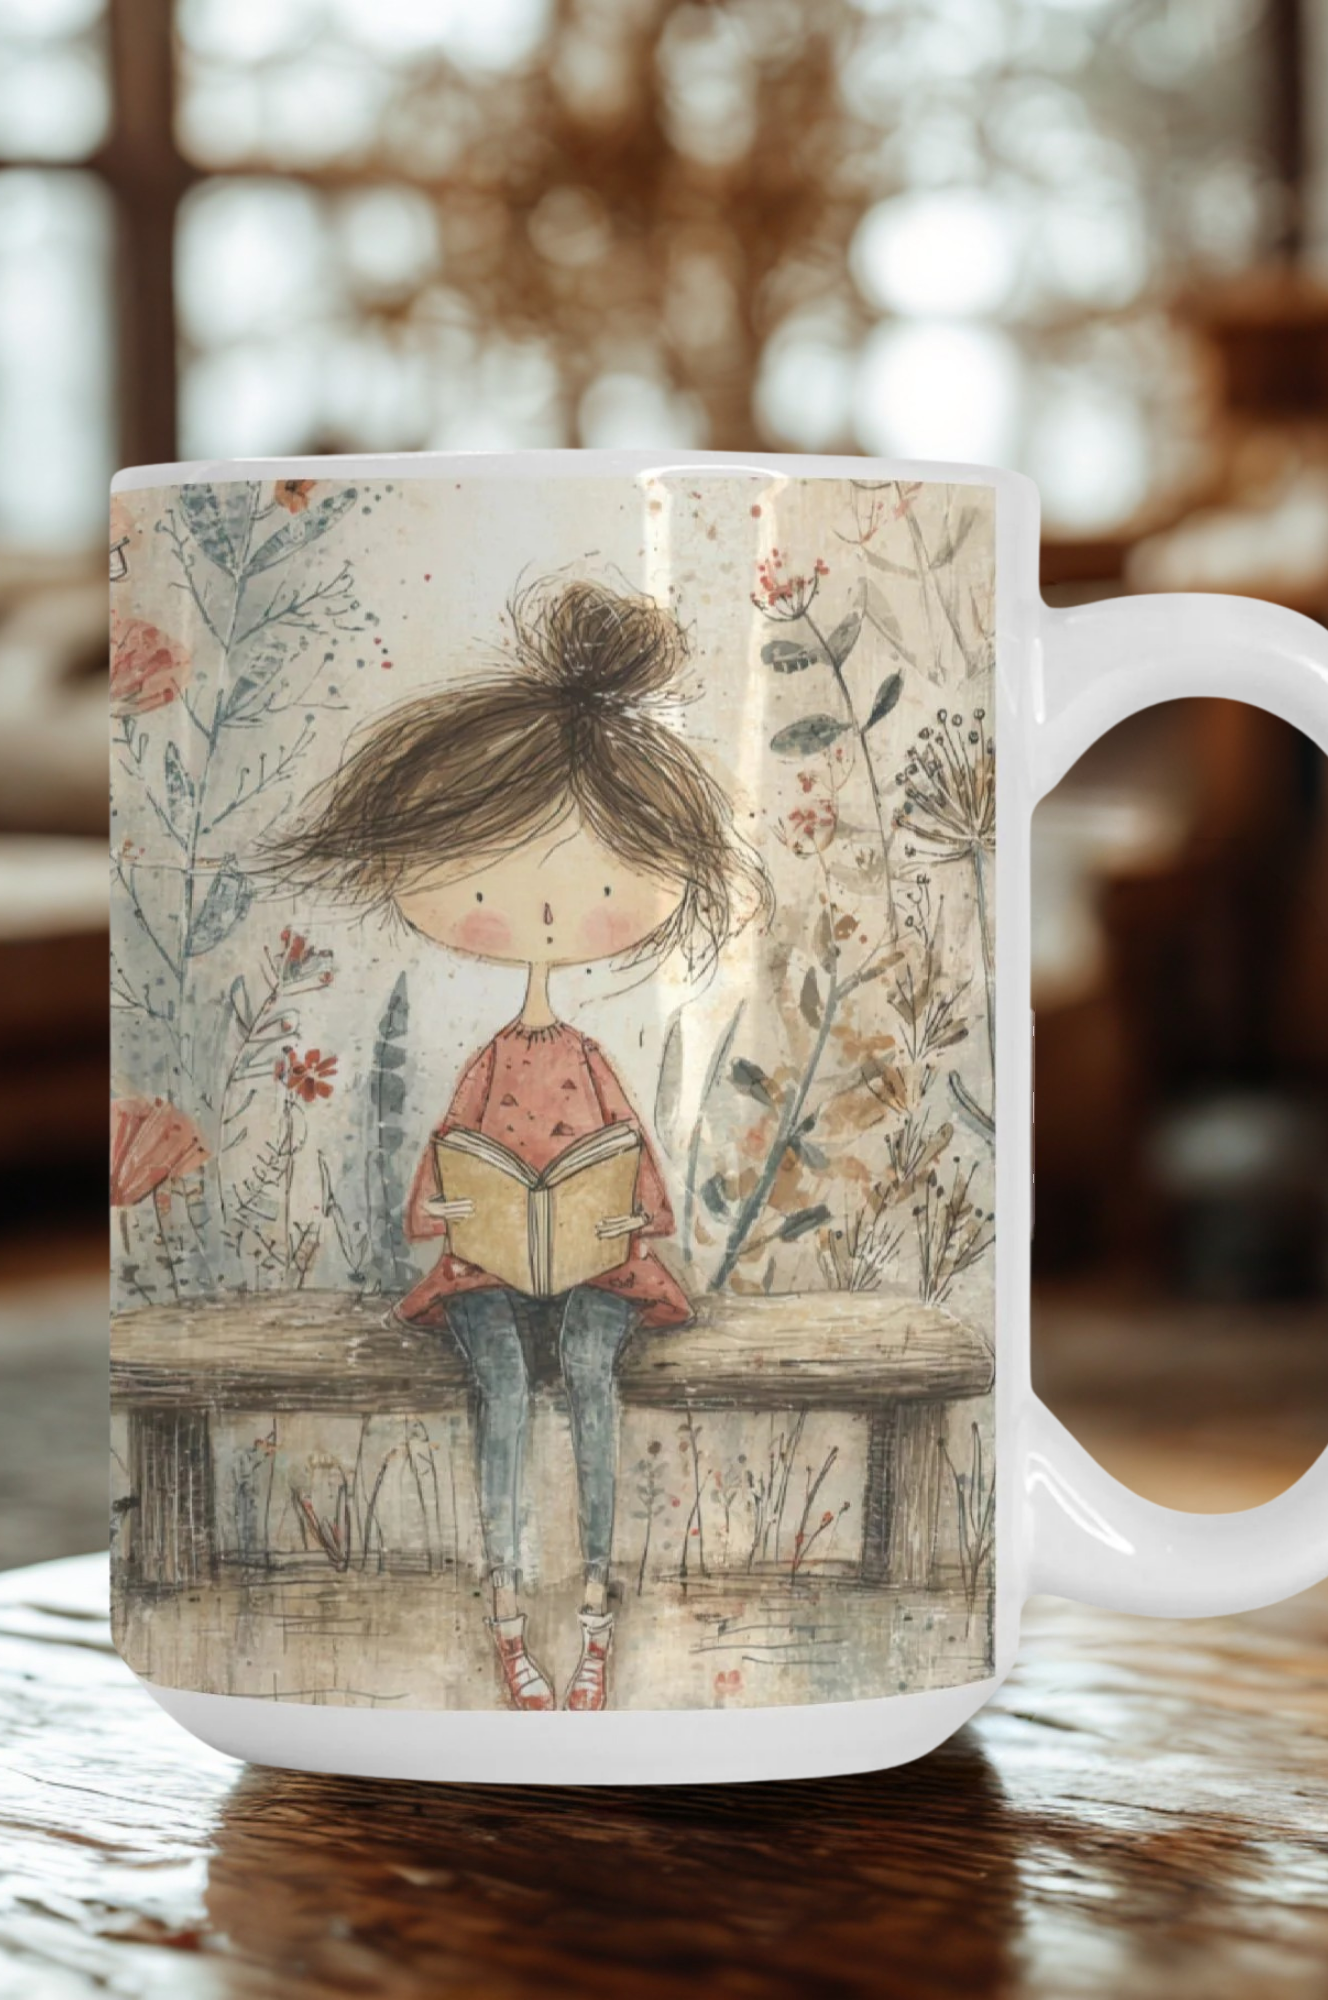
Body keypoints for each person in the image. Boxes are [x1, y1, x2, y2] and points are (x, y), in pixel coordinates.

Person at [269, 578, 768, 1710]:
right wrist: (445, 1217)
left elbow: (632, 1158)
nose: (542, 913)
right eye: (487, 880)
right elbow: (448, 1157)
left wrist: (620, 1219)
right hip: (488, 1261)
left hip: (593, 1258)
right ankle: (506, 1612)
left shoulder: (588, 1055)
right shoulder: (488, 1056)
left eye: (594, 881)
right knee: (496, 1379)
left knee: (592, 1372)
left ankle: (592, 1603)